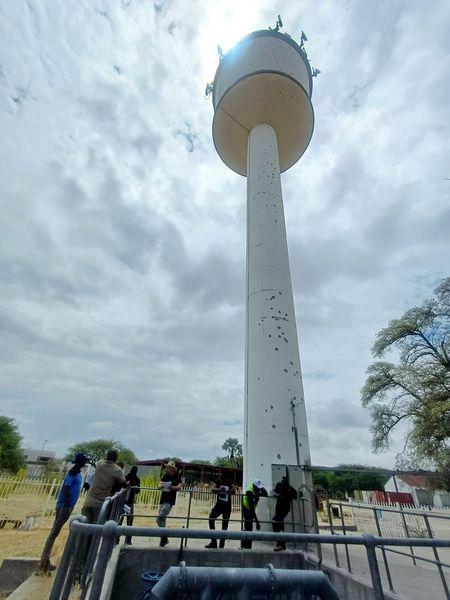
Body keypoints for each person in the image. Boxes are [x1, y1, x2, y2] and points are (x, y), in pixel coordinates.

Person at [37, 453, 88, 573]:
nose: (84, 463)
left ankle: (45, 561)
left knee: (54, 533)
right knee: (54, 533)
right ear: (79, 462)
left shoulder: (77, 473)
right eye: (83, 461)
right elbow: (66, 487)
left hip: (66, 506)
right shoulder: (72, 473)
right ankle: (43, 562)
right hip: (64, 506)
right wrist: (68, 503)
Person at [81, 450, 126, 524]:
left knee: (84, 526)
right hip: (101, 504)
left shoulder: (99, 463)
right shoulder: (118, 470)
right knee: (96, 529)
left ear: (107, 456)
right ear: (116, 458)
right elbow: (124, 484)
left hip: (89, 500)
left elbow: (104, 460)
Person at [205, 477, 236, 549]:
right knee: (211, 519)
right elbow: (213, 489)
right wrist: (220, 490)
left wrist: (226, 491)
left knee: (224, 526)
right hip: (219, 505)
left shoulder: (230, 480)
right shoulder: (219, 481)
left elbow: (234, 490)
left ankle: (221, 545)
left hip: (227, 506)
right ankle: (213, 542)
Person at [156, 460, 182, 547]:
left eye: (169, 467)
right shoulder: (165, 475)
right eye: (167, 467)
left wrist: (172, 487)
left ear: (173, 469)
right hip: (163, 499)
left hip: (170, 500)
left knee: (160, 517)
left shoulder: (177, 476)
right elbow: (158, 486)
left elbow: (179, 487)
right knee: (161, 519)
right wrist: (162, 486)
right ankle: (164, 539)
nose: (167, 469)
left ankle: (164, 537)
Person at [272, 475, 297, 551]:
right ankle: (280, 543)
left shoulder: (281, 486)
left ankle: (281, 544)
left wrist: (278, 495)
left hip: (281, 509)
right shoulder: (290, 488)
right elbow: (296, 495)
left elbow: (275, 492)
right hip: (284, 509)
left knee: (278, 524)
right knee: (278, 524)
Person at [241, 479, 268, 549]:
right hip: (246, 508)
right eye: (258, 488)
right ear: (254, 486)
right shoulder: (249, 492)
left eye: (259, 487)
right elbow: (252, 510)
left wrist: (260, 490)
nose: (259, 489)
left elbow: (266, 494)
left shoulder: (256, 487)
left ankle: (247, 546)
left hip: (251, 508)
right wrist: (257, 522)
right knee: (248, 527)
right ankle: (246, 547)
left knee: (249, 528)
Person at [124, 466, 140, 545]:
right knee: (129, 521)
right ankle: (128, 540)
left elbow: (138, 490)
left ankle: (121, 539)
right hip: (129, 502)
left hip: (126, 501)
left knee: (122, 520)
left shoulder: (127, 477)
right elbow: (138, 491)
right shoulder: (136, 479)